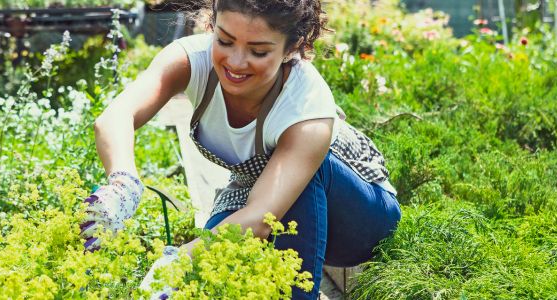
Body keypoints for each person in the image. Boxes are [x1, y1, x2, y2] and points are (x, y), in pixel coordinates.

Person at [79, 0, 402, 298]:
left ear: (293, 48)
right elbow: (115, 117)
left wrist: (176, 261)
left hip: (359, 220)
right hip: (258, 195)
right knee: (214, 270)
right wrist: (124, 184)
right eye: (225, 40)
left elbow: (262, 219)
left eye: (258, 51)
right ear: (211, 25)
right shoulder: (191, 60)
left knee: (210, 250)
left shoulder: (307, 107)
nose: (235, 62)